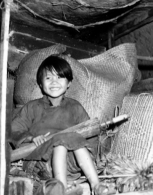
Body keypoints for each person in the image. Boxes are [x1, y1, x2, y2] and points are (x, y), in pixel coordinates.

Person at [9, 55, 101, 195]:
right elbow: (14, 129)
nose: (54, 82)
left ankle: (96, 185)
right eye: (48, 78)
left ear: (69, 83)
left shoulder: (75, 107)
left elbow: (88, 134)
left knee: (73, 140)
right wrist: (30, 138)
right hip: (40, 164)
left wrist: (90, 154)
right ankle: (61, 188)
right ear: (40, 83)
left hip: (71, 166)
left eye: (59, 77)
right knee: (61, 142)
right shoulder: (32, 107)